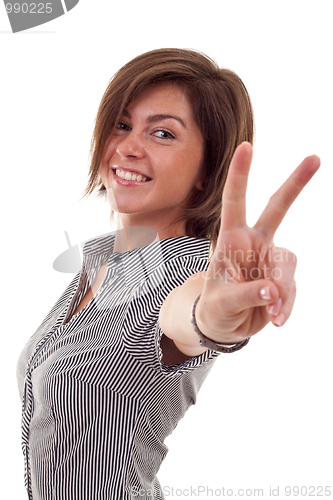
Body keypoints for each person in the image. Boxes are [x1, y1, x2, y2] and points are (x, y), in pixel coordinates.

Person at [16, 48, 320, 500]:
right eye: (121, 125)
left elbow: (189, 314)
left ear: (206, 171)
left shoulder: (190, 271)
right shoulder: (101, 258)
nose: (127, 147)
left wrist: (213, 319)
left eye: (162, 133)